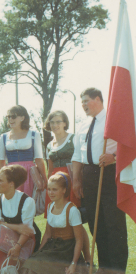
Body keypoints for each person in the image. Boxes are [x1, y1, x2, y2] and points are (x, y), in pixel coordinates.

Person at [72, 87, 128, 274]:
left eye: (86, 101)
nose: (84, 105)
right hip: (89, 174)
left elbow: (130, 145)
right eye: (82, 102)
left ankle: (118, 269)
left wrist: (114, 157)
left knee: (113, 220)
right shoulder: (82, 125)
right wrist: (76, 180)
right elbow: (77, 155)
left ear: (98, 99)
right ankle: (104, 265)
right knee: (96, 221)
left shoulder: (114, 119)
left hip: (109, 172)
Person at [21, 172, 88, 274]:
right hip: (53, 245)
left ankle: (68, 271)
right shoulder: (50, 206)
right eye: (49, 189)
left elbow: (79, 240)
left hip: (67, 249)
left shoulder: (72, 210)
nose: (50, 193)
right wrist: (39, 252)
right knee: (30, 263)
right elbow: (47, 234)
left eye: (54, 190)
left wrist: (73, 263)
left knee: (44, 266)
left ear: (64, 190)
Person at [44, 110, 91, 263]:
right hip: (55, 183)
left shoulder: (73, 138)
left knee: (76, 220)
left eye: (58, 121)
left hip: (70, 180)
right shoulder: (49, 144)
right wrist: (49, 186)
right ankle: (62, 253)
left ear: (65, 123)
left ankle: (88, 257)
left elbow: (80, 160)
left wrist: (78, 182)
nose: (55, 125)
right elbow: (50, 168)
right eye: (52, 122)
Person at [0, 165, 41, 270]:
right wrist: (17, 227)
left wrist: (17, 247)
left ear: (11, 184)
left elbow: (27, 231)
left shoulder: (27, 201)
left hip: (25, 238)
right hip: (9, 236)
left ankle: (9, 264)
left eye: (1, 181)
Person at [0, 105, 47, 197]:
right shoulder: (3, 137)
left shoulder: (33, 134)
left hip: (28, 174)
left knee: (28, 202)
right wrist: (0, 180)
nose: (10, 119)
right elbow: (1, 162)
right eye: (8, 117)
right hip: (10, 174)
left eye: (13, 116)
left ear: (22, 117)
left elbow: (39, 159)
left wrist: (44, 179)